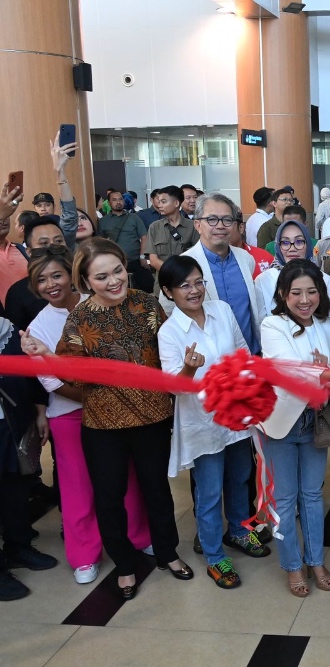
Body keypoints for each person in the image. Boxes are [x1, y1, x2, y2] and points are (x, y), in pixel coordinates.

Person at [33, 238, 192, 600]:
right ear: (87, 281)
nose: (114, 281)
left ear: (126, 266)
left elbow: (168, 352)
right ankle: (124, 564)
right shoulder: (80, 317)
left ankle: (167, 552)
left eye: (117, 270)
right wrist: (44, 354)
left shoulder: (148, 304)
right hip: (103, 424)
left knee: (157, 491)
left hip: (153, 417)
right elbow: (70, 373)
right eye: (102, 276)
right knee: (109, 497)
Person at [22, 249, 153, 585]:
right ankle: (84, 555)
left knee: (127, 480)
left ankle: (139, 537)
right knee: (78, 486)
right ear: (35, 288)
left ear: (73, 274)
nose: (51, 284)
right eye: (41, 280)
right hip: (71, 415)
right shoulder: (38, 327)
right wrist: (100, 398)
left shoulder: (98, 301)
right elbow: (53, 382)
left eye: (56, 275)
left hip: (120, 410)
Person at [157, 256, 268, 589]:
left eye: (198, 282)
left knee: (240, 477)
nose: (194, 291)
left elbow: (242, 352)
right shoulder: (169, 331)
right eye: (184, 285)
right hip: (202, 421)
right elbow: (173, 386)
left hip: (234, 413)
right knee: (208, 491)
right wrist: (190, 368)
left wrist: (248, 389)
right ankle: (214, 554)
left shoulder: (221, 309)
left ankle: (237, 531)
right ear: (168, 291)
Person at [259, 259, 330, 597]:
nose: (305, 300)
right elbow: (289, 372)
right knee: (285, 499)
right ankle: (292, 565)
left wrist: (327, 372)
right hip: (281, 423)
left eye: (312, 292)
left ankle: (315, 560)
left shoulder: (327, 324)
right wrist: (325, 372)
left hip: (316, 421)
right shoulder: (272, 325)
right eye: (296, 293)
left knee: (313, 495)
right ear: (283, 294)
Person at [0, 315, 58, 601]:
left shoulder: (9, 332)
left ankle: (18, 547)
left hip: (10, 423)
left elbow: (31, 377)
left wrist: (39, 413)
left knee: (16, 488)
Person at [255, 219, 330, 314]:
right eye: (285, 243)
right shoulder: (264, 280)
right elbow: (259, 322)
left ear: (308, 245)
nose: (292, 248)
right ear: (278, 246)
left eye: (299, 242)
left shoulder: (325, 280)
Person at [144, 185, 197, 291]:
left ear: (176, 203)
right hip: (163, 286)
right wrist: (175, 273)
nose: (159, 205)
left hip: (188, 286)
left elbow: (198, 256)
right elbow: (153, 260)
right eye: (159, 202)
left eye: (163, 202)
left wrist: (183, 277)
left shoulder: (193, 226)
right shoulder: (155, 227)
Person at [97, 190, 152, 292]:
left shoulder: (134, 218)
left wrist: (142, 256)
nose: (118, 202)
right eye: (114, 200)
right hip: (113, 263)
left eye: (120, 199)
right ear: (109, 203)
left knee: (148, 287)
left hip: (136, 260)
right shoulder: (103, 221)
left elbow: (144, 237)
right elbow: (100, 243)